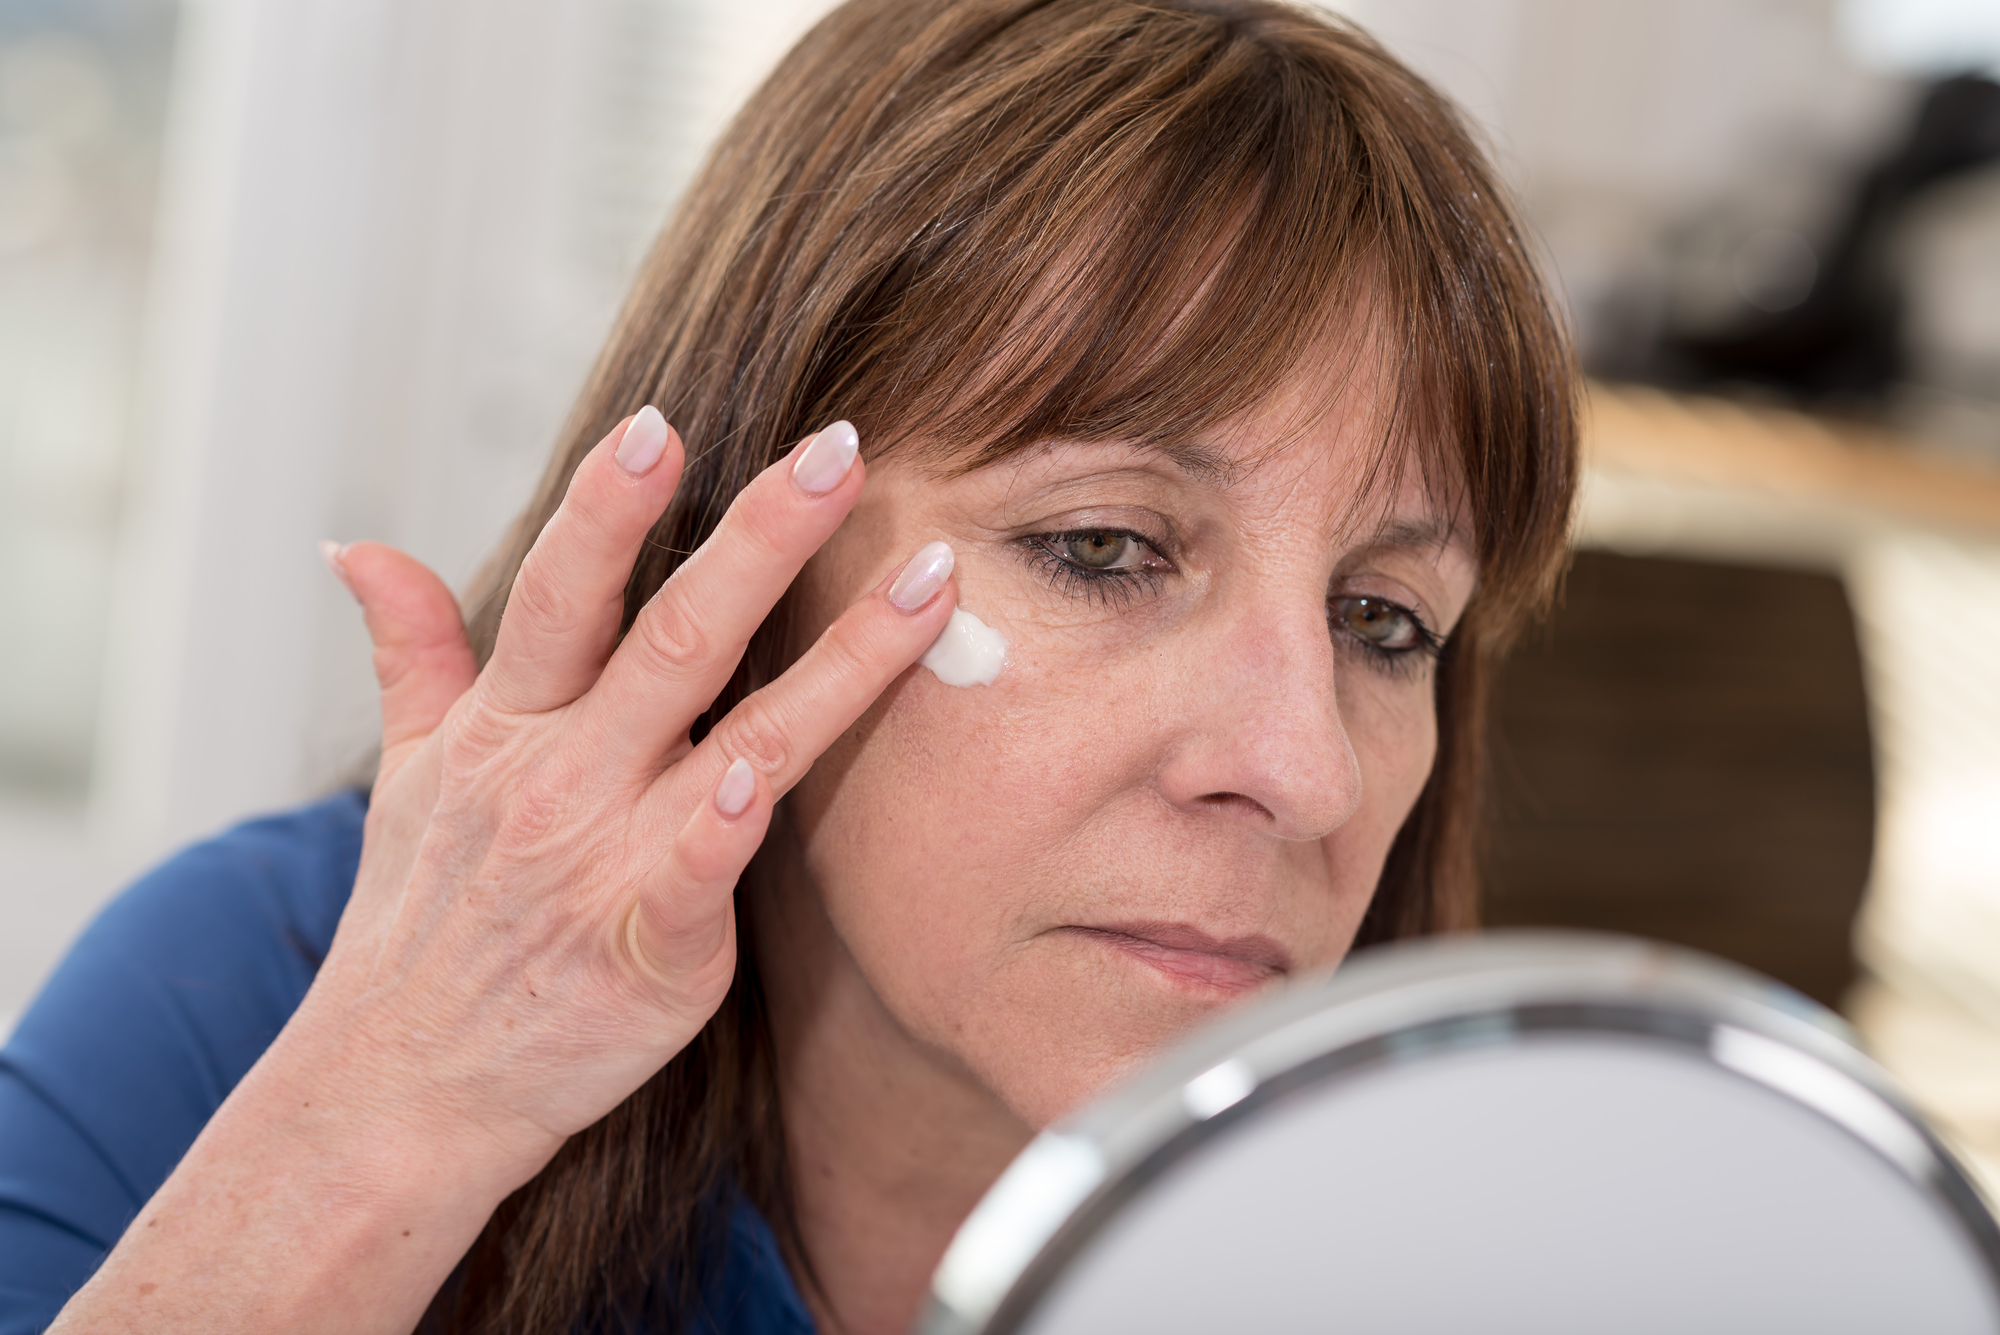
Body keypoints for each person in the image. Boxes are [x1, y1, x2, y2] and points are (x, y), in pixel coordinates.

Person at [1, 0, 1576, 1331]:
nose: (1306, 770)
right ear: (739, 565)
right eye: (1104, 546)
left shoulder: (1487, 1252)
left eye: (1385, 621)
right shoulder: (249, 1009)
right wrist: (389, 1126)